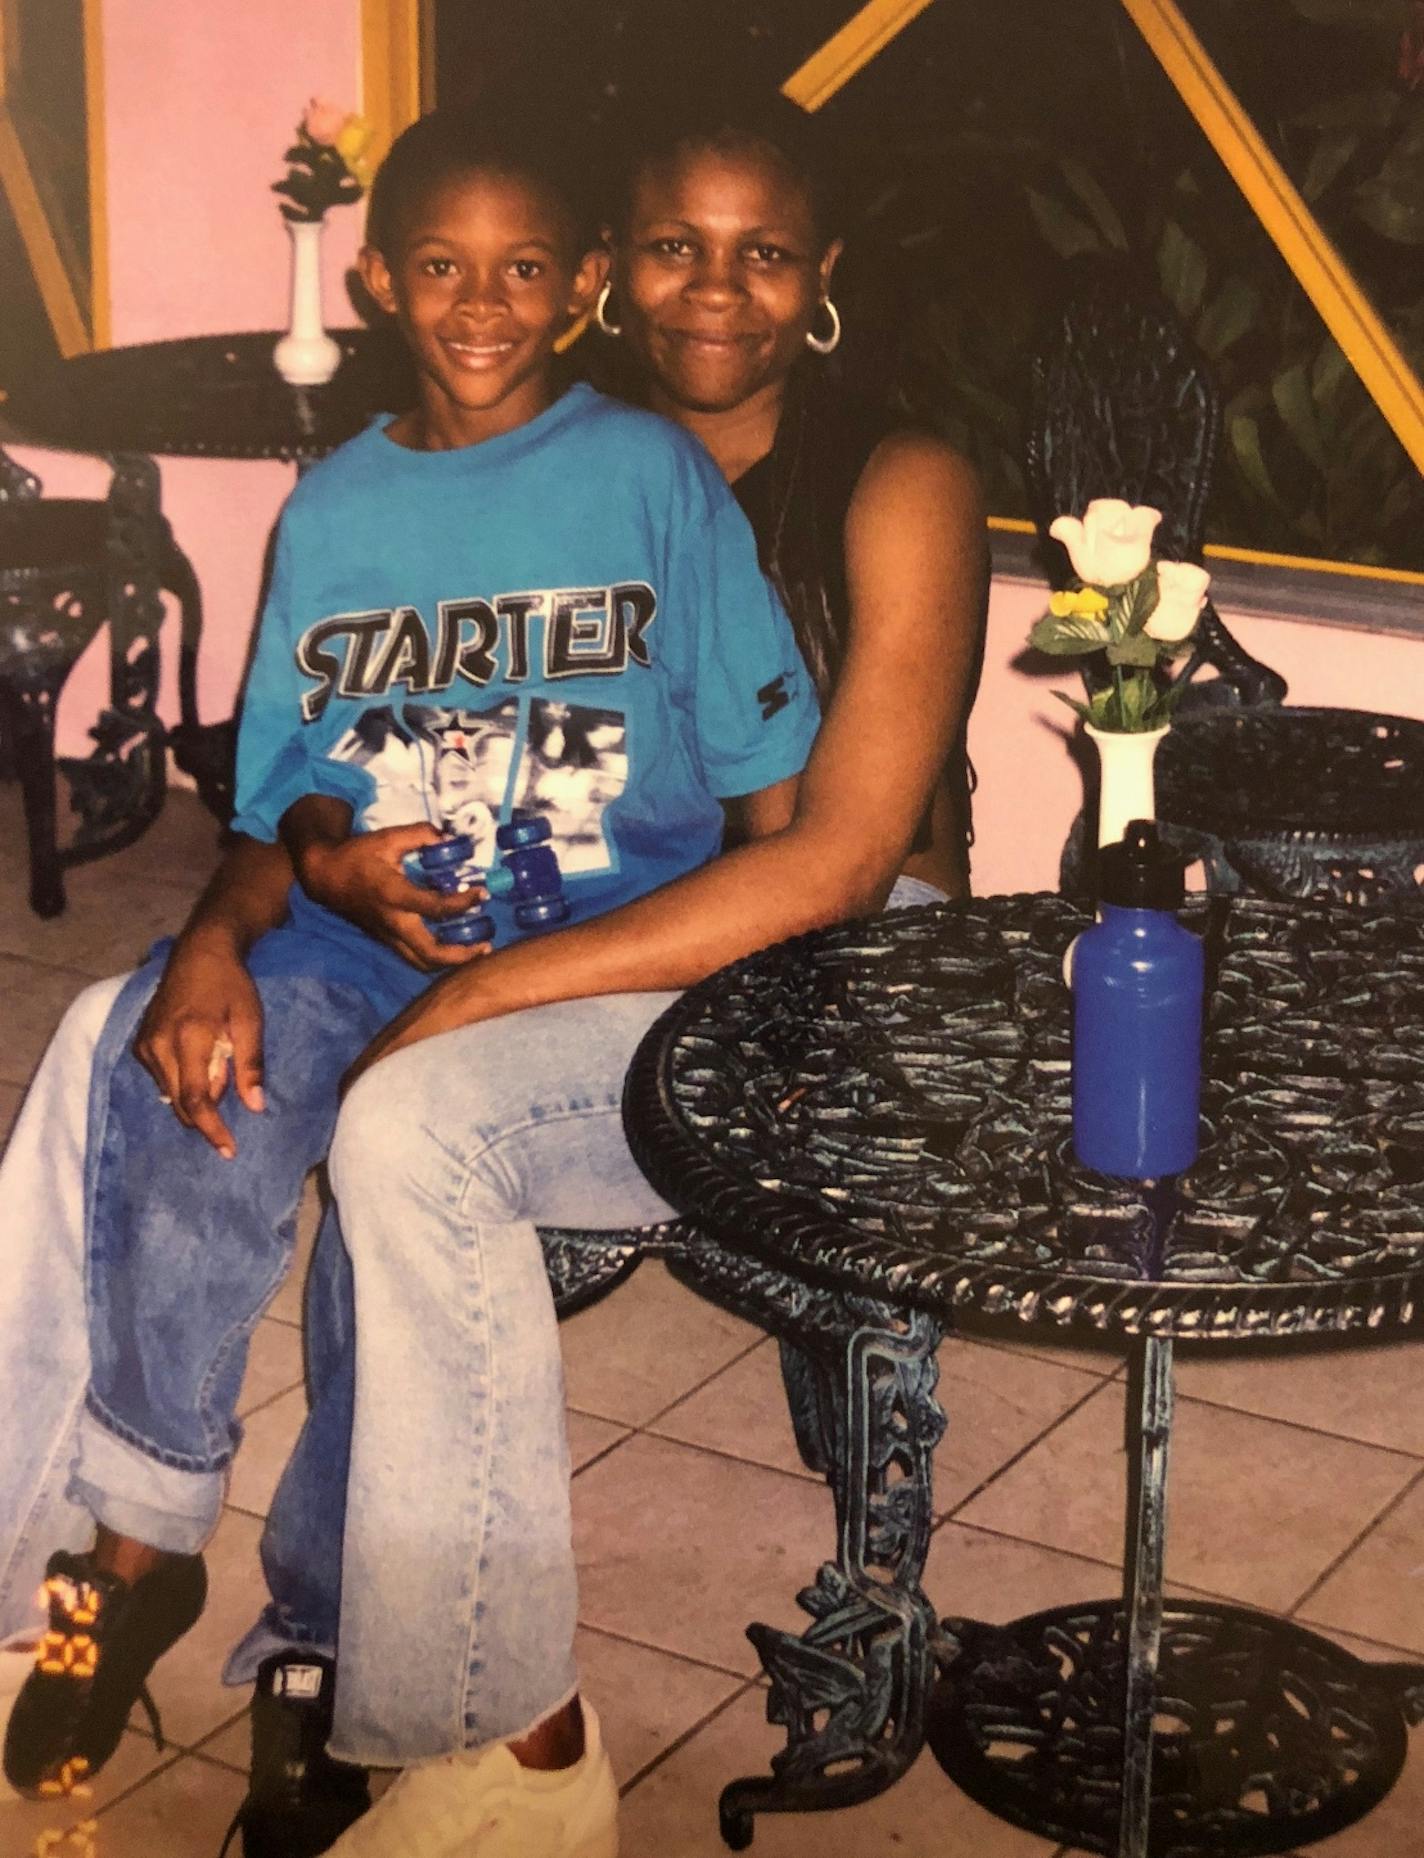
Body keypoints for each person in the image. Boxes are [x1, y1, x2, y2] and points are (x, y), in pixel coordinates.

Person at [0, 106, 822, 1854]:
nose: (480, 304)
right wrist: (239, 924)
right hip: (359, 939)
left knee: (404, 1165)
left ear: (584, 289)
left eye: (524, 271)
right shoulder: (339, 505)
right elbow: (281, 793)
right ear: (379, 281)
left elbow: (773, 795)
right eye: (440, 268)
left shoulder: (650, 479)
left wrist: (776, 1002)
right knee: (184, 1074)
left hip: (591, 972)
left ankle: (325, 1635)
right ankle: (137, 1552)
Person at [206, 91, 989, 1858]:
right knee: (388, 1134)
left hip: (842, 979)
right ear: (610, 281)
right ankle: (479, 1715)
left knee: (417, 1107)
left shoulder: (901, 473)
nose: (721, 288)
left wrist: (484, 992)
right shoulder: (554, 463)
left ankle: (491, 1750)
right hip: (618, 976)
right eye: (675, 246)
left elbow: (845, 857)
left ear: (825, 276)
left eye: (767, 249)